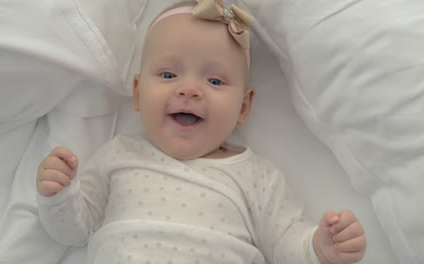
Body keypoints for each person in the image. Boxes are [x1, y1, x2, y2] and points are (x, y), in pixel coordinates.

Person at [36, 1, 367, 263]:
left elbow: (285, 243)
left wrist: (320, 247)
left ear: (243, 107)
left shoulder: (257, 177)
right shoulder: (119, 154)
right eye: (168, 75)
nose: (190, 89)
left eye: (215, 81)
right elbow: (75, 230)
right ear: (137, 93)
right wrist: (59, 194)